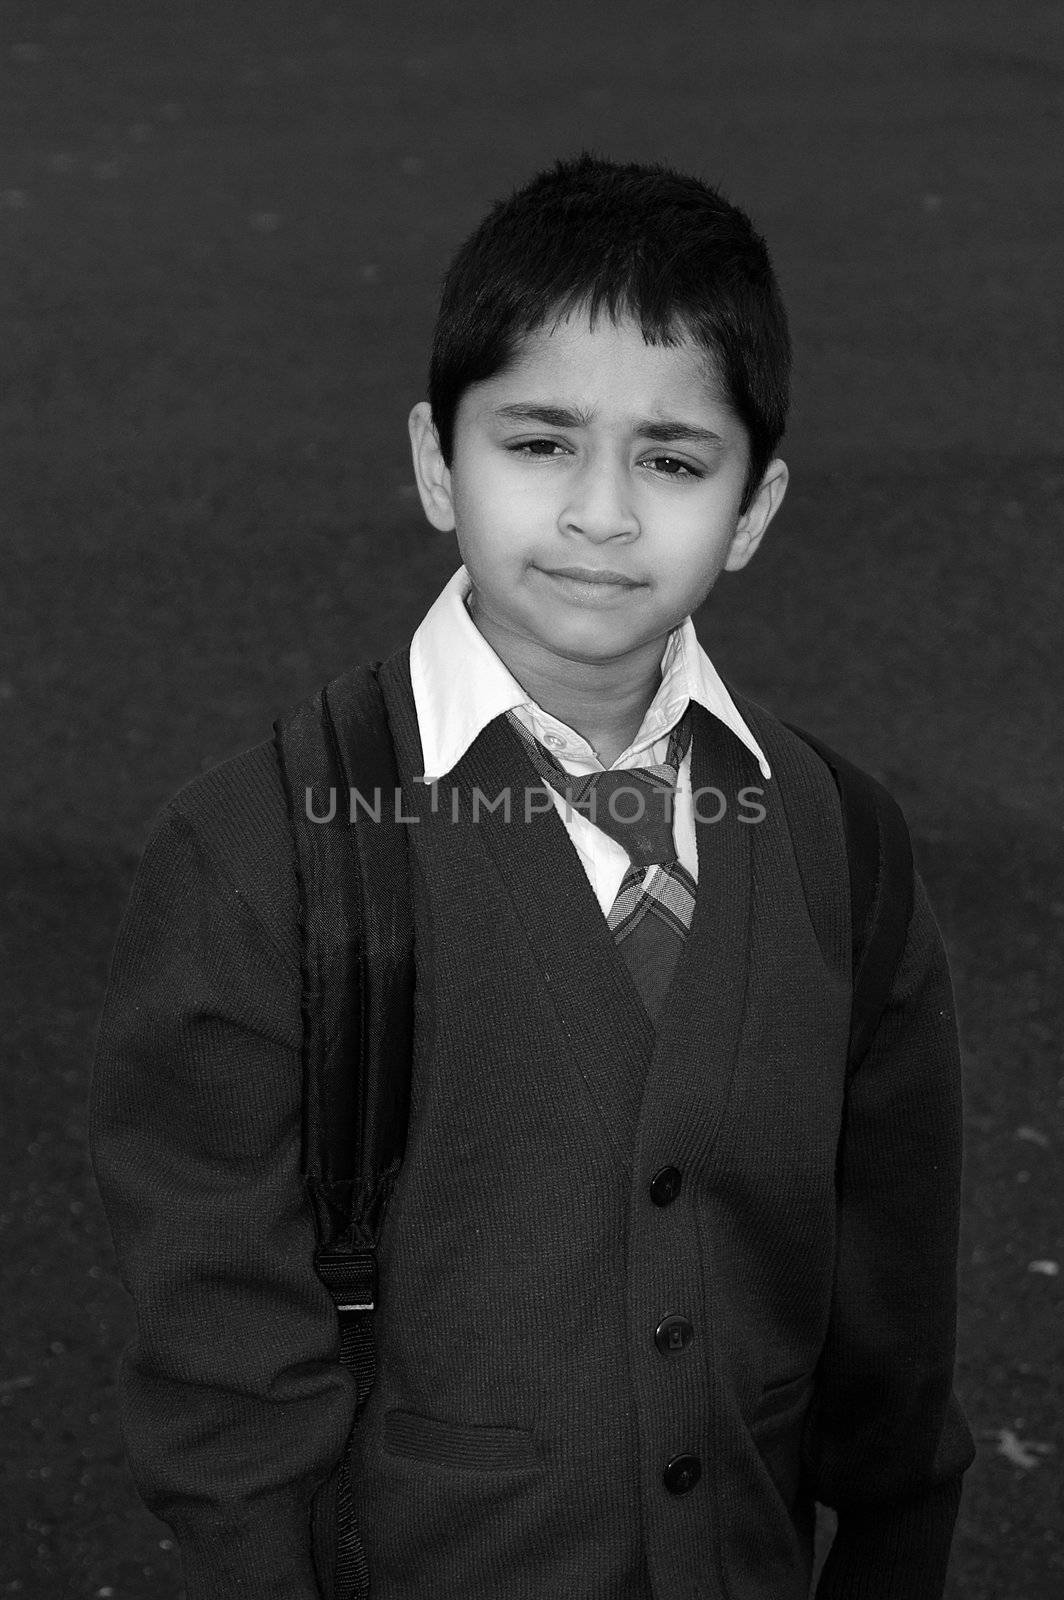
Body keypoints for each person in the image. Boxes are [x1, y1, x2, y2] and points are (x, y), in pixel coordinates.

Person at [89, 152, 975, 1600]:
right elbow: (220, 1376)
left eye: (677, 460)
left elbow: (893, 1325)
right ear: (439, 461)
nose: (604, 514)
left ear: (754, 509)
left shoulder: (841, 843)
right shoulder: (266, 850)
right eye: (540, 443)